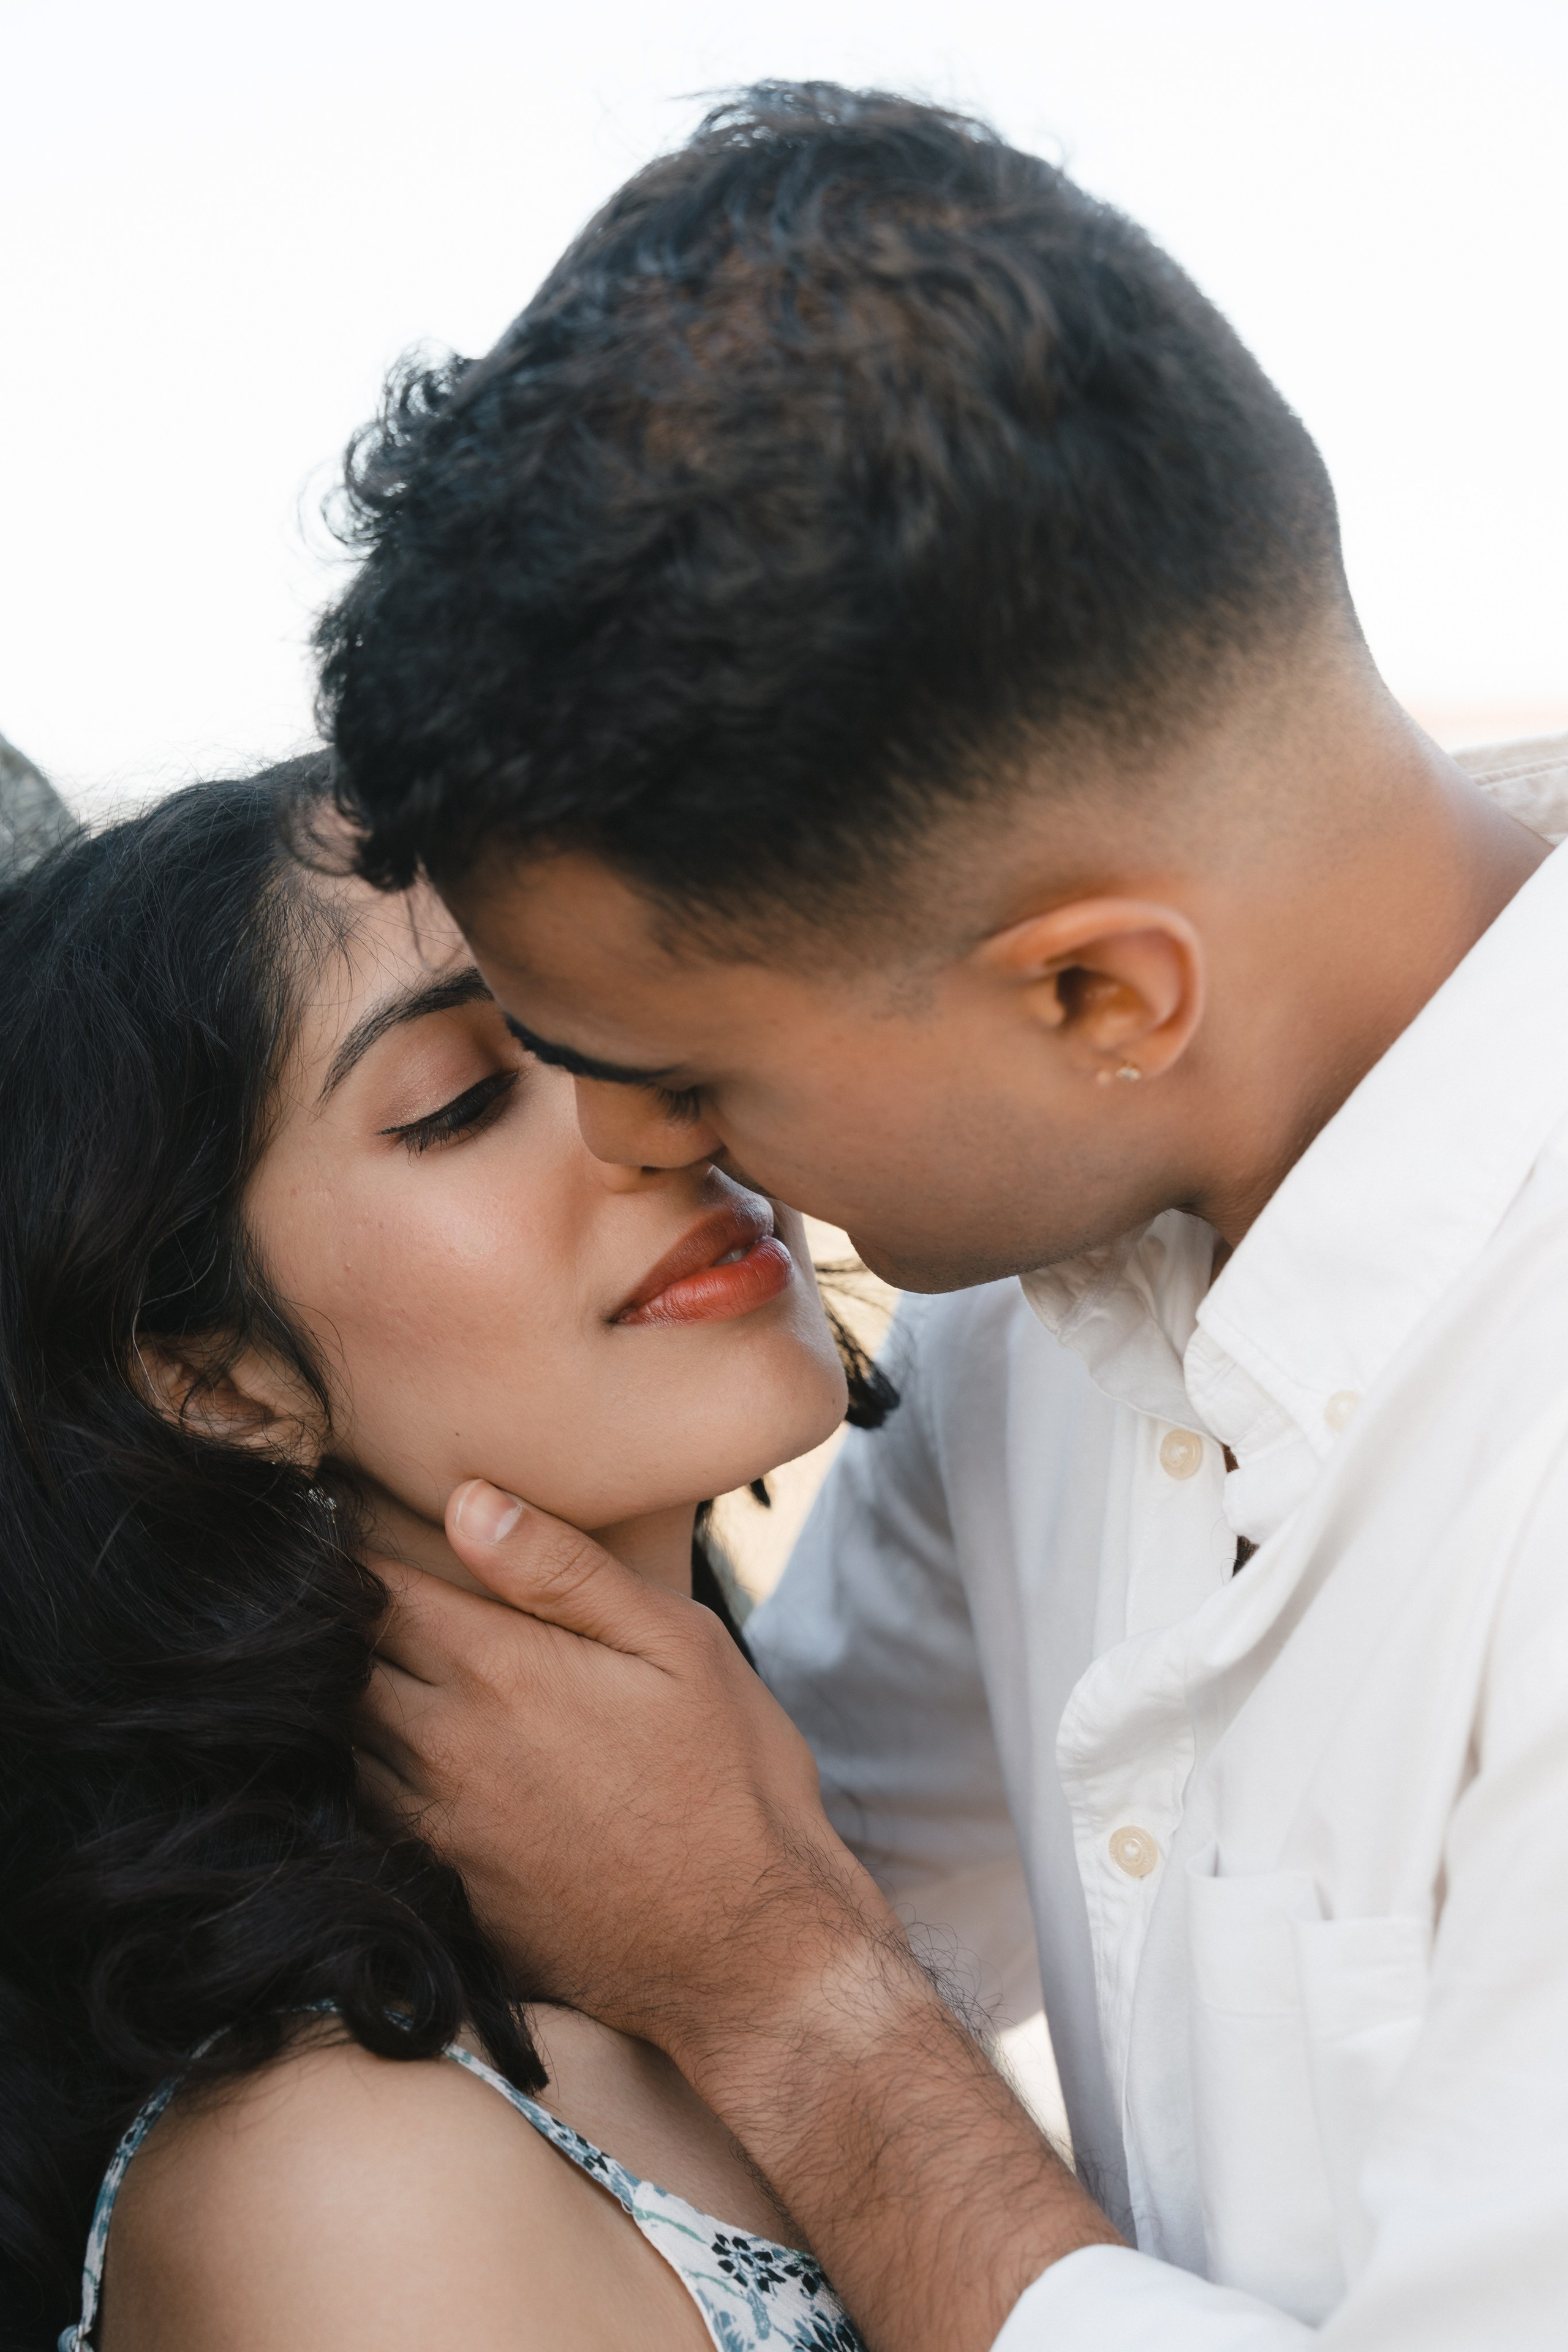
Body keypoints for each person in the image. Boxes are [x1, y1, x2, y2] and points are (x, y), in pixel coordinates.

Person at [315, 81, 1568, 2352]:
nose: (635, 1155)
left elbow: (771, 1923)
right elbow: (732, 1833)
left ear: (1099, 988)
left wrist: (801, 2010)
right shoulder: (1049, 1302)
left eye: (685, 1075)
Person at [0, 763, 889, 2351]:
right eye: (462, 1101)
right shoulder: (347, 2190)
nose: (644, 1115)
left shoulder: (743, 1895)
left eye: (617, 1011)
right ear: (220, 1382)